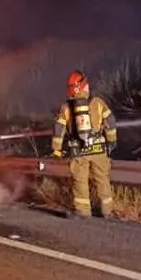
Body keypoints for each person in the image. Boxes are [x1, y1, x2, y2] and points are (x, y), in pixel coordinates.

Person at [50, 70, 117, 218]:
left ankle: (83, 212)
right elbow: (110, 122)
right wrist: (112, 141)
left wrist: (57, 150)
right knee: (102, 179)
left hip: (78, 150)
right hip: (98, 148)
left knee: (80, 181)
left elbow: (58, 129)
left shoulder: (67, 107)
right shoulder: (98, 103)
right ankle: (107, 211)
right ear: (85, 86)